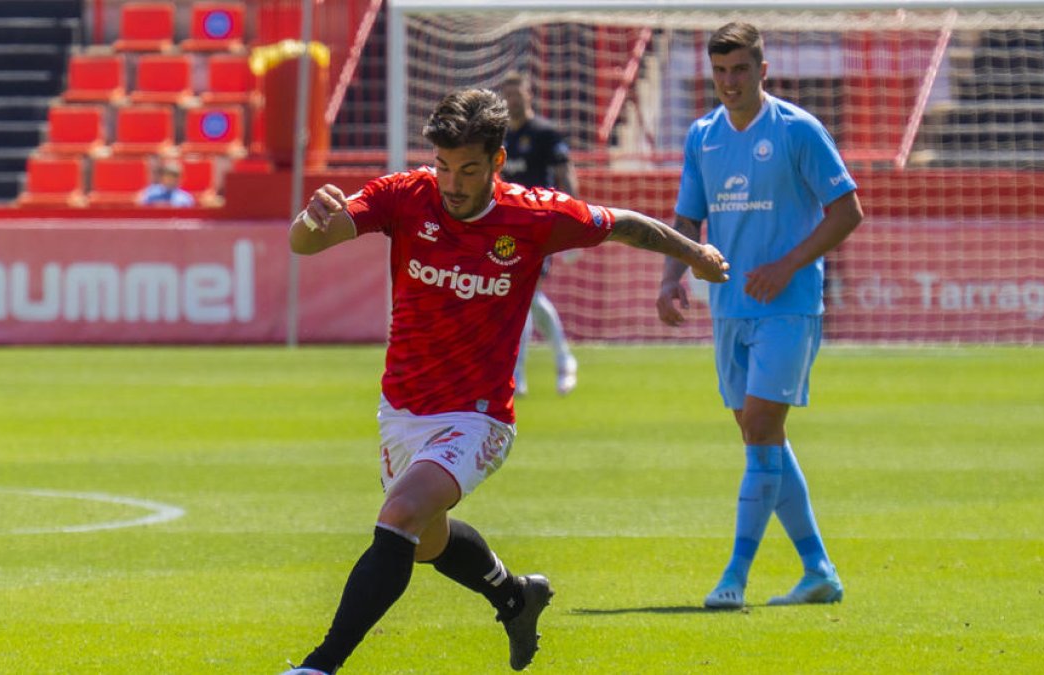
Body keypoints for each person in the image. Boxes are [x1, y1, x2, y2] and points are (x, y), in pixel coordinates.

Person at [285, 88, 729, 675]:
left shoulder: (534, 215)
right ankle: (515, 597)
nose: (452, 182)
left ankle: (319, 666)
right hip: (402, 410)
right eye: (443, 166)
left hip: (479, 415)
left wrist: (695, 253)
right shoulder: (406, 196)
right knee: (426, 542)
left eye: (468, 169)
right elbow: (306, 243)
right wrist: (309, 217)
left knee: (399, 517)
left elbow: (625, 224)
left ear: (497, 162)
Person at [656, 22, 864, 610]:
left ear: (762, 70)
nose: (729, 82)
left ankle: (735, 575)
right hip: (729, 308)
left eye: (740, 70)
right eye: (720, 72)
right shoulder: (702, 135)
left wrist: (786, 266)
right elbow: (688, 221)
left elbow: (848, 210)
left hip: (789, 306)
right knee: (759, 436)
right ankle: (818, 569)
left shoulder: (798, 130)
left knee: (762, 432)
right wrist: (672, 277)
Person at [499, 71, 580, 396]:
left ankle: (528, 371)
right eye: (508, 94)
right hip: (505, 228)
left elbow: (565, 175)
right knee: (521, 297)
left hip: (539, 224)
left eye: (517, 93)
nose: (513, 100)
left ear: (529, 95)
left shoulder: (545, 134)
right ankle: (560, 360)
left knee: (525, 295)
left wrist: (575, 222)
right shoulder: (500, 136)